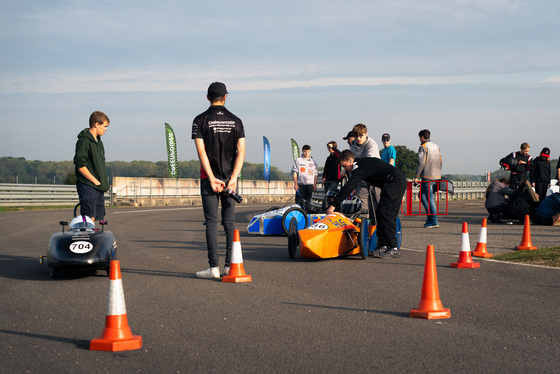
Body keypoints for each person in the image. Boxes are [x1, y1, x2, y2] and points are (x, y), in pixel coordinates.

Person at [192, 82, 245, 279]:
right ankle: (229, 267)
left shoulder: (199, 120)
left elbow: (201, 152)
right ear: (225, 97)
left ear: (207, 97)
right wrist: (233, 178)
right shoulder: (236, 120)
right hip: (230, 180)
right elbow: (241, 152)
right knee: (229, 223)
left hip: (209, 179)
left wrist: (212, 178)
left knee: (212, 222)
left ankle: (213, 267)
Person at [326, 150, 407, 259]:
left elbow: (349, 186)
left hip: (395, 182)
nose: (344, 169)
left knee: (386, 213)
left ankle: (394, 247)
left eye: (344, 166)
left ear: (350, 160)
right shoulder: (361, 163)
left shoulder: (359, 167)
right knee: (379, 213)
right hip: (389, 183)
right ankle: (383, 245)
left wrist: (334, 204)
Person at [73, 111, 110, 222]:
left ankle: (93, 236)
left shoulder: (99, 142)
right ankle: (87, 237)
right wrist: (94, 181)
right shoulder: (84, 141)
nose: (106, 129)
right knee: (89, 217)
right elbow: (80, 165)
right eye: (105, 126)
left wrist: (101, 183)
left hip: (98, 186)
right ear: (96, 124)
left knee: (97, 217)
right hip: (88, 185)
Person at [413, 129, 442, 229]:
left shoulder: (423, 147)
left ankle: (433, 220)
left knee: (429, 199)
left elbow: (421, 163)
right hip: (436, 176)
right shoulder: (436, 146)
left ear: (422, 137)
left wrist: (416, 176)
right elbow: (440, 161)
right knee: (422, 195)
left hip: (427, 176)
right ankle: (430, 218)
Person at [350, 123, 381, 213]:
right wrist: (353, 187)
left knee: (378, 206)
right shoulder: (352, 148)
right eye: (356, 136)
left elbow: (370, 163)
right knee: (362, 208)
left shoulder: (372, 145)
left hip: (375, 179)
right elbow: (351, 168)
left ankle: (380, 225)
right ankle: (365, 225)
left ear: (366, 133)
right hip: (361, 180)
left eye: (361, 136)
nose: (358, 139)